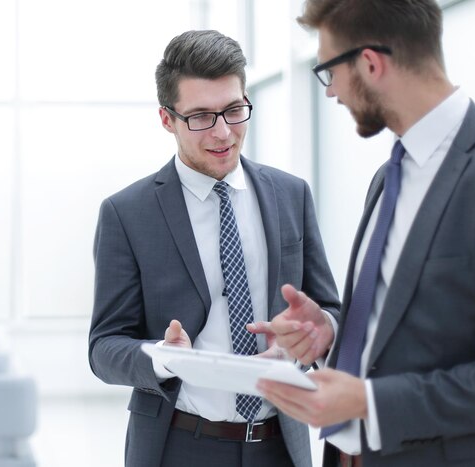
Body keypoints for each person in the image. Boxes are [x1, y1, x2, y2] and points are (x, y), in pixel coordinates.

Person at [253, 1, 475, 466]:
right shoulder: (389, 176)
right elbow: (406, 327)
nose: (330, 93)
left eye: (328, 69)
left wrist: (371, 403)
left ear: (370, 62)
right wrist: (330, 333)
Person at [88, 29, 340, 467]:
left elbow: (329, 311)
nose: (223, 132)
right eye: (201, 116)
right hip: (179, 445)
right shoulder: (127, 213)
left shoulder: (291, 194)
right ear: (167, 119)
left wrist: (306, 343)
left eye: (234, 110)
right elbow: (104, 347)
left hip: (281, 443)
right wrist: (162, 359)